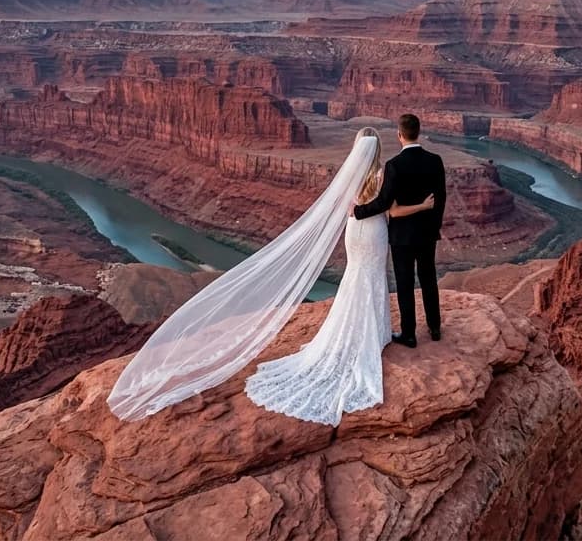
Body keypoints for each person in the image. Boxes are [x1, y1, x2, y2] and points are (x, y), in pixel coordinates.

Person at [107, 126, 435, 425]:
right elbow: (388, 209)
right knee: (372, 276)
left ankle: (357, 332)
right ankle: (373, 334)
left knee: (354, 277)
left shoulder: (351, 174)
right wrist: (421, 207)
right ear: (377, 149)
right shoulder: (384, 174)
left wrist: (359, 210)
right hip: (375, 231)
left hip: (355, 232)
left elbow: (346, 207)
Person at [353, 113, 446, 348]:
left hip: (402, 236)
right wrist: (434, 226)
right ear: (419, 131)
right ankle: (435, 328)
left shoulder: (394, 165)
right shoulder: (435, 160)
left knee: (405, 283)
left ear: (399, 135)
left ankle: (409, 335)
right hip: (427, 234)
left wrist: (358, 211)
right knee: (428, 279)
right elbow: (441, 199)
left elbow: (384, 202)